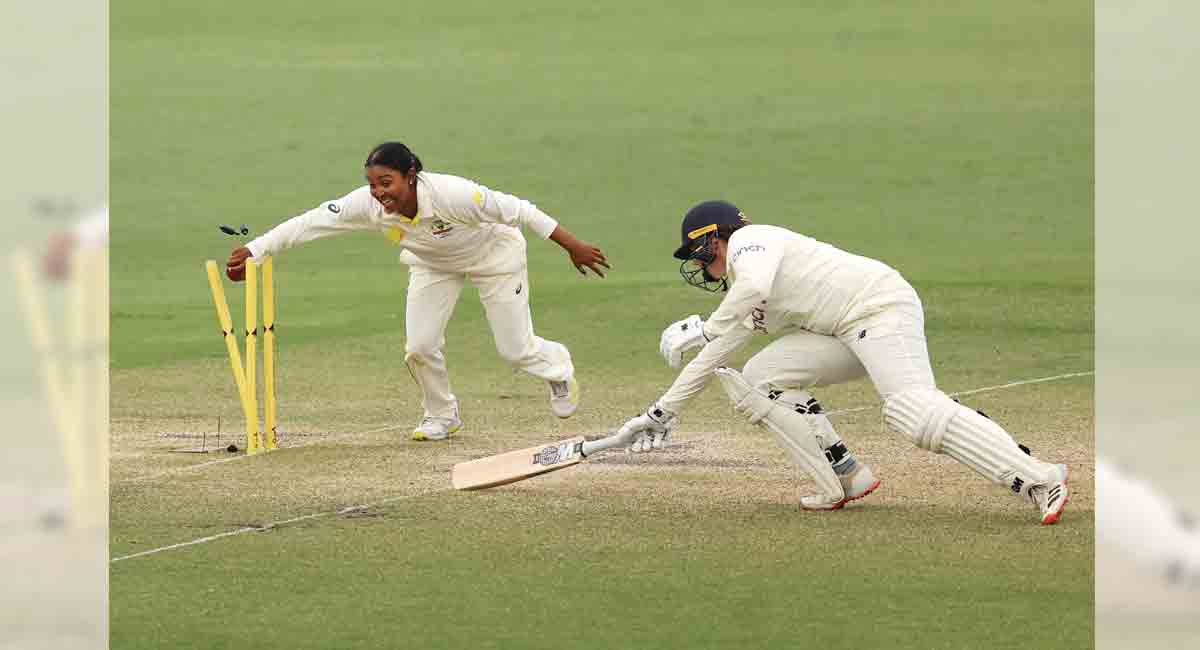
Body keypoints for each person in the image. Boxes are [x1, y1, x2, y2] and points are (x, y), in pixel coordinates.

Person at [615, 200, 1069, 524]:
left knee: (910, 411)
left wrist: (708, 326)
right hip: (844, 331)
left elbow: (742, 298)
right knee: (758, 380)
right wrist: (659, 413)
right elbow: (712, 357)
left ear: (717, 237)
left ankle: (1038, 477)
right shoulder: (746, 293)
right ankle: (845, 475)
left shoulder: (752, 242)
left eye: (698, 251)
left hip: (879, 308)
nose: (698, 264)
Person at [225, 142, 609, 441]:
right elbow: (309, 223)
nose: (378, 193)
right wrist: (255, 250)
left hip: (495, 258)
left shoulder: (453, 194)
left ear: (410, 175)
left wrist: (572, 245)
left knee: (515, 350)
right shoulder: (367, 204)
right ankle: (442, 415)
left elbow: (521, 210)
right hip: (432, 265)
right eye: (372, 184)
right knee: (419, 347)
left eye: (386, 182)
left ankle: (558, 368)